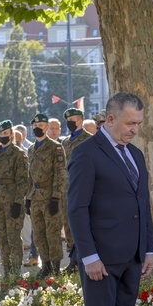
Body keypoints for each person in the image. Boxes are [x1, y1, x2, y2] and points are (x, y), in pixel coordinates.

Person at [68, 92, 153, 306]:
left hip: (132, 256)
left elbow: (141, 206)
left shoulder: (136, 154)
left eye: (139, 124)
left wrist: (148, 248)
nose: (135, 129)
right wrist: (89, 256)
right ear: (110, 119)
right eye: (130, 123)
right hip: (100, 260)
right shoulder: (86, 154)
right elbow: (77, 209)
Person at [0, 120, 29, 277]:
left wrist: (17, 201)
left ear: (11, 135)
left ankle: (16, 273)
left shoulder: (18, 154)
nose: (3, 136)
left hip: (12, 202)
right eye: (1, 134)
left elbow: (23, 180)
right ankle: (6, 271)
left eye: (6, 134)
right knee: (2, 238)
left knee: (13, 238)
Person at [26, 113, 66, 277]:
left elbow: (59, 173)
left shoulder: (55, 147)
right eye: (35, 126)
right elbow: (29, 175)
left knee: (53, 233)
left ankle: (56, 267)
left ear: (47, 127)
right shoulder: (31, 149)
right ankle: (46, 265)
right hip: (35, 197)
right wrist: (28, 198)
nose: (38, 128)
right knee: (39, 233)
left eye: (41, 125)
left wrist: (56, 197)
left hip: (50, 196)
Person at [62, 107, 92, 273]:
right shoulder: (65, 142)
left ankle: (83, 257)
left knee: (82, 223)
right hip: (67, 189)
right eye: (68, 120)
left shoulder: (90, 139)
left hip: (83, 188)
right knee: (68, 224)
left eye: (72, 120)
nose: (69, 123)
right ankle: (72, 259)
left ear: (80, 121)